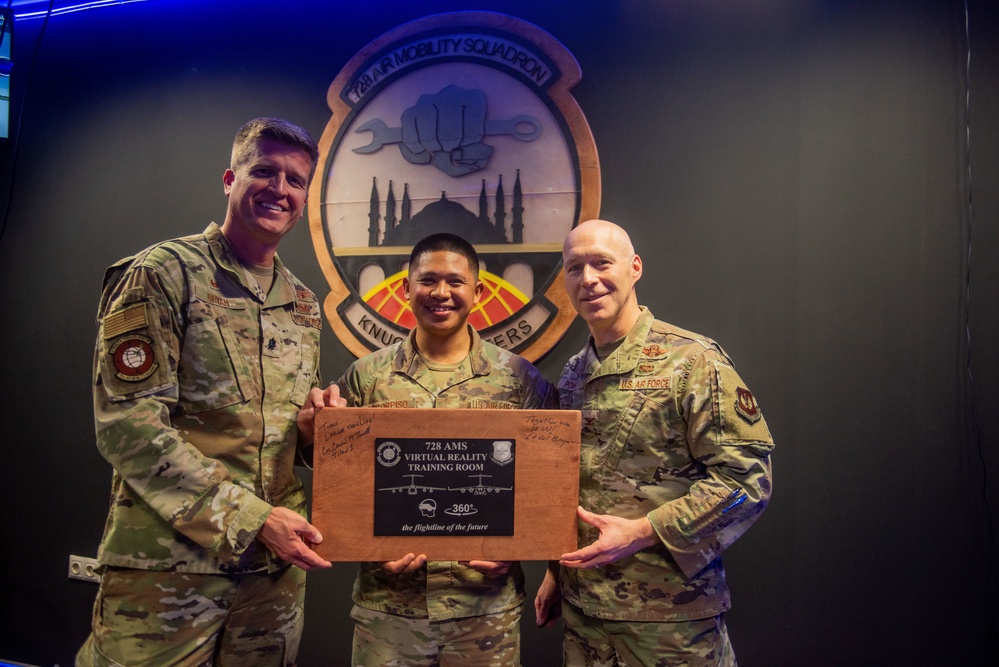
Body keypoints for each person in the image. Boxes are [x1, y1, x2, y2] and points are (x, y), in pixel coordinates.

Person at [77, 118, 333, 667]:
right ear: (229, 178)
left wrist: (313, 435)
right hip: (170, 574)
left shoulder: (305, 304)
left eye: (295, 180)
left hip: (271, 579)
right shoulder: (164, 274)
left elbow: (278, 435)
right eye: (264, 171)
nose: (279, 190)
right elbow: (129, 427)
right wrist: (253, 517)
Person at [300, 232, 558, 666]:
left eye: (456, 282)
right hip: (389, 611)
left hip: (484, 611)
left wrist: (520, 548)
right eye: (428, 280)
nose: (441, 293)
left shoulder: (519, 378)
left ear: (477, 292)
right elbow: (339, 482)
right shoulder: (366, 377)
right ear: (406, 289)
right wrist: (366, 545)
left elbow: (551, 480)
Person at [533, 219, 774, 666]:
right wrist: (553, 573)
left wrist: (643, 531)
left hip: (669, 620)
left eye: (602, 263)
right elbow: (569, 481)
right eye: (574, 268)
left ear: (635, 268)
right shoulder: (573, 373)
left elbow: (746, 483)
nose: (589, 279)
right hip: (585, 617)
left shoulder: (693, 362)